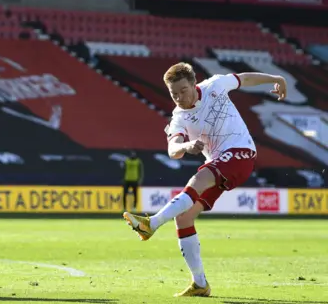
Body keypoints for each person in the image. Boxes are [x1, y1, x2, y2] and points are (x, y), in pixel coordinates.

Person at [122, 63, 287, 297]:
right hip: (220, 163)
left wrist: (275, 78)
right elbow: (173, 149)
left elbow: (244, 79)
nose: (179, 97)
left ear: (194, 83)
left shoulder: (215, 86)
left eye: (183, 90)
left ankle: (153, 223)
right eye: (173, 94)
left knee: (200, 176)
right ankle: (200, 284)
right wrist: (187, 145)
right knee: (184, 217)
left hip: (241, 153)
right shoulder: (179, 117)